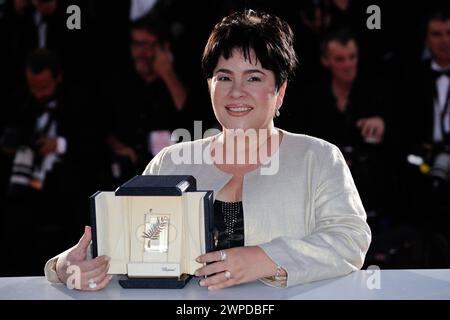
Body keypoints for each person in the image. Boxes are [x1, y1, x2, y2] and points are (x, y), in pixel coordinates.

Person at [44, 10, 371, 290]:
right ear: (210, 86)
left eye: (254, 78)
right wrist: (64, 267)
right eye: (224, 77)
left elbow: (350, 239)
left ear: (280, 89)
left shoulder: (318, 157)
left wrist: (267, 258)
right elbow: (123, 245)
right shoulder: (171, 161)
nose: (237, 92)